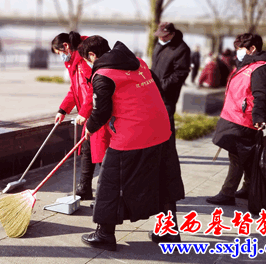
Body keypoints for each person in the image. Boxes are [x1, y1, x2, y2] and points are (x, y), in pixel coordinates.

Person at [78, 36, 184, 251]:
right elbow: (157, 89)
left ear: (91, 56)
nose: (89, 65)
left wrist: (89, 127)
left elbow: (102, 111)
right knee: (162, 179)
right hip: (161, 130)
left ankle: (104, 235)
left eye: (88, 60)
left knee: (110, 183)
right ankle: (168, 231)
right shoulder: (138, 62)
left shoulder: (102, 75)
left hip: (132, 135)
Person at [207, 33, 266, 206]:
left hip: (245, 119)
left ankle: (227, 193)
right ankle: (247, 188)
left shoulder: (261, 68)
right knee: (246, 156)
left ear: (252, 49)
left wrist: (259, 117)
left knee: (237, 156)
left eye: (240, 49)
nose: (237, 52)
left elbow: (261, 95)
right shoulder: (249, 64)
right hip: (235, 116)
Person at [51, 31, 110, 201]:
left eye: (60, 54)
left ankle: (109, 194)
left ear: (66, 47)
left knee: (101, 153)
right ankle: (85, 188)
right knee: (87, 149)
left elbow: (94, 88)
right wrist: (63, 110)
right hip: (89, 111)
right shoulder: (74, 63)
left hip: (96, 111)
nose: (61, 57)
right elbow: (75, 90)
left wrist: (84, 113)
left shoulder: (84, 60)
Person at [151, 22, 191, 135]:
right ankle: (155, 152)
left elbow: (181, 73)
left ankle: (168, 153)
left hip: (167, 94)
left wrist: (163, 85)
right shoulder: (159, 44)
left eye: (165, 36)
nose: (161, 38)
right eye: (159, 35)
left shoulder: (182, 49)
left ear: (173, 34)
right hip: (153, 90)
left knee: (166, 126)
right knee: (153, 125)